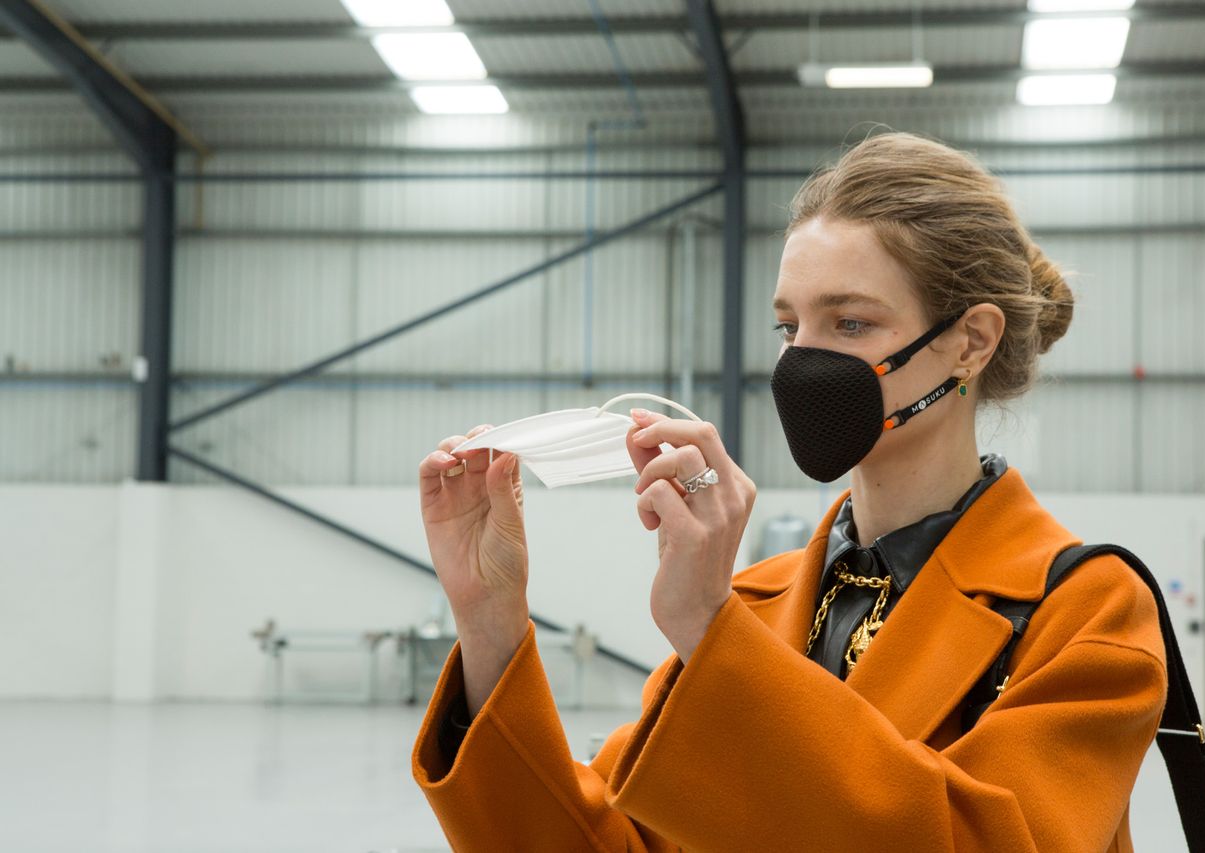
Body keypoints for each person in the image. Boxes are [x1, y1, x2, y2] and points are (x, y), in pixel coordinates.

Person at [409, 131, 1166, 852]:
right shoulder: (754, 602)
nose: (802, 362)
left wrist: (711, 629)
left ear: (970, 341)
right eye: (788, 327)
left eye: (849, 321)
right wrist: (489, 618)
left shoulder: (1086, 611)